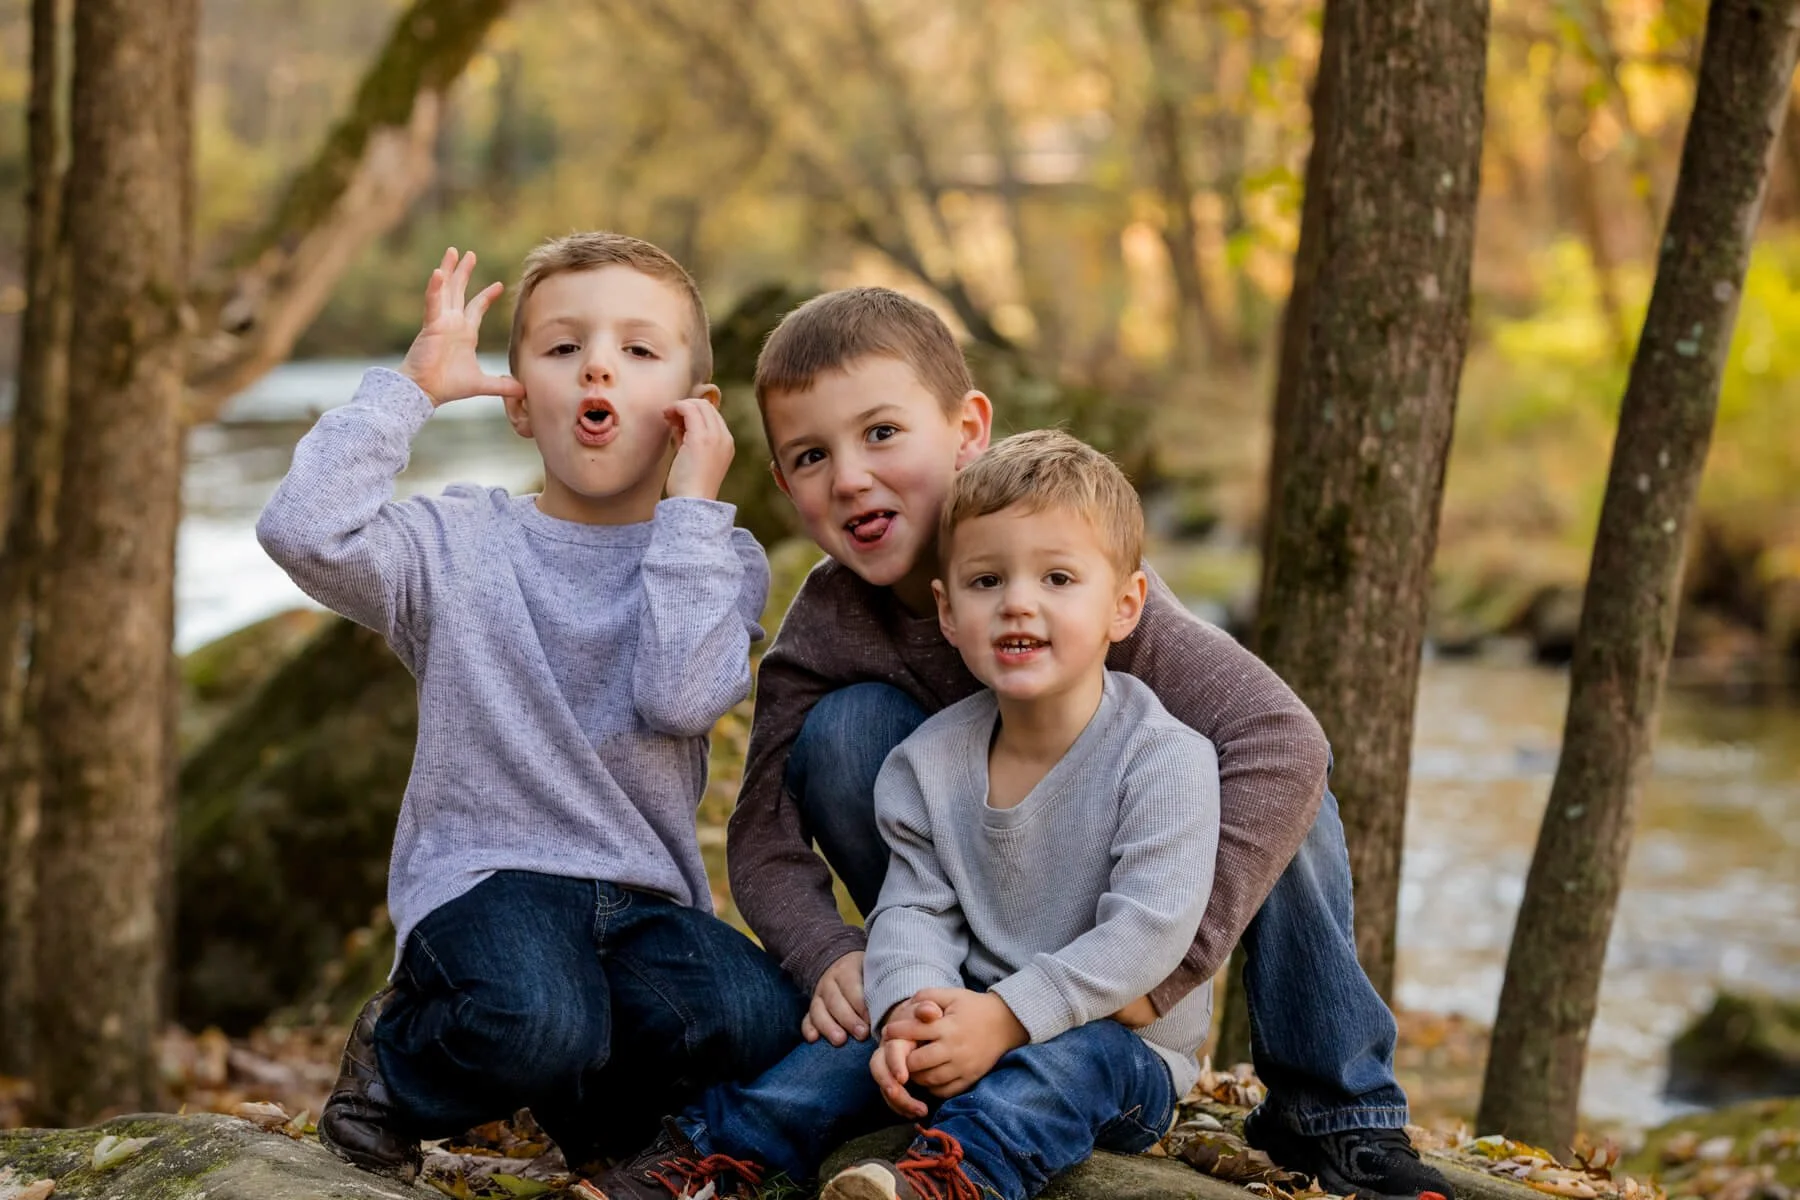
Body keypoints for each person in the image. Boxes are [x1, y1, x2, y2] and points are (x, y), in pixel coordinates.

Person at [723, 287, 1452, 1200]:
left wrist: (1169, 971)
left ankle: (1335, 1110)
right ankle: (935, 1030)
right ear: (786, 486)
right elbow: (760, 832)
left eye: (881, 434)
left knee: (1266, 776)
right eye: (811, 456)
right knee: (844, 732)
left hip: (1120, 941)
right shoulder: (827, 626)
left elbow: (1285, 738)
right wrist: (830, 954)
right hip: (960, 921)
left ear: (966, 428)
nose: (851, 477)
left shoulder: (1075, 572)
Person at [256, 234, 804, 1180]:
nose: (597, 363)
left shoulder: (716, 555)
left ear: (693, 413)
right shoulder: (456, 542)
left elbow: (678, 697)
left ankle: (603, 1124)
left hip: (641, 900)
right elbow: (302, 530)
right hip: (486, 880)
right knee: (534, 1016)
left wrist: (693, 509)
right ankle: (397, 1062)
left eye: (639, 350)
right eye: (561, 349)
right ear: (519, 407)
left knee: (757, 1017)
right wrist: (411, 389)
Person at [582, 429, 1220, 1200]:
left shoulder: (1166, 758)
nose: (1019, 601)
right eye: (987, 582)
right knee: (839, 1050)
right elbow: (913, 904)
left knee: (1075, 1063)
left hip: (1119, 1048)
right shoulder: (929, 758)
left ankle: (950, 1175)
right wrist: (910, 1013)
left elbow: (1147, 934)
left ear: (1125, 605)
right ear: (948, 614)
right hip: (963, 1012)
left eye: (1057, 578)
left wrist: (1006, 1020)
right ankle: (712, 1160)